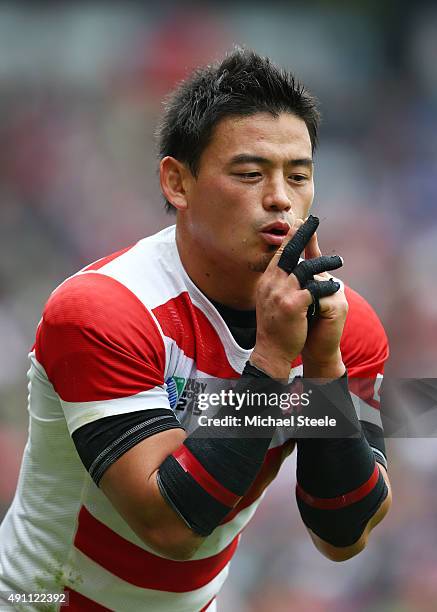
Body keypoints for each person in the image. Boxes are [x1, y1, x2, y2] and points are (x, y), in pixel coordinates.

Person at [0, 48, 391, 611]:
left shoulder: (343, 326)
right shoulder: (103, 310)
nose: (281, 197)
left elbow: (344, 533)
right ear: (177, 182)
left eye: (299, 175)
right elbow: (172, 527)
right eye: (250, 173)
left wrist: (325, 368)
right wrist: (275, 359)